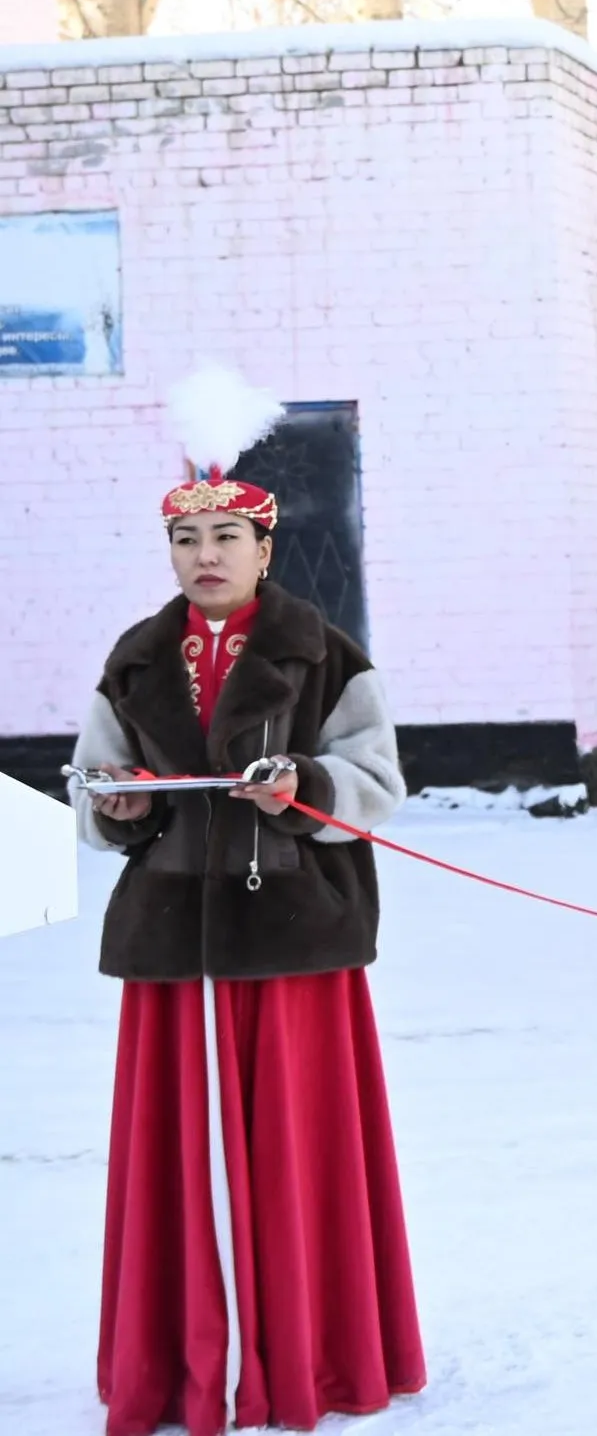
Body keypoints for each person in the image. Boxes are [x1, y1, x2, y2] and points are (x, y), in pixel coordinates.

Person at [71, 377, 422, 1436]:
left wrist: (304, 789)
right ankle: (181, 1358)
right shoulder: (134, 660)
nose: (208, 556)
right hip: (175, 938)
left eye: (229, 536)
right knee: (177, 1155)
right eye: (191, 541)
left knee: (300, 1145)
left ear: (265, 549)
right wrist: (122, 804)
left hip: (296, 936)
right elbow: (93, 789)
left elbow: (377, 787)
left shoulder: (326, 654)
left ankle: (310, 1352)